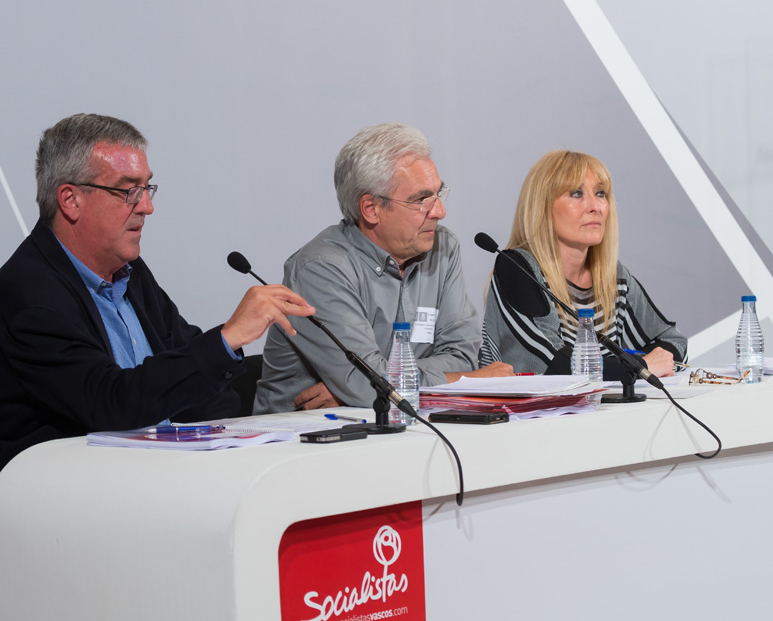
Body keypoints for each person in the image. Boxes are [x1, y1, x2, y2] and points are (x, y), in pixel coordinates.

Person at [0, 114, 315, 469]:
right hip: (74, 486)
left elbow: (204, 389)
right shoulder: (27, 292)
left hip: (162, 477)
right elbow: (110, 403)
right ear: (71, 200)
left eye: (147, 188)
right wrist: (228, 338)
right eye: (128, 191)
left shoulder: (130, 272)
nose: (147, 207)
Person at [254, 122, 512, 413]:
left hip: (410, 421)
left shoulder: (442, 248)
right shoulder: (322, 269)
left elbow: (463, 356)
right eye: (421, 200)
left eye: (438, 194)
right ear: (371, 209)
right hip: (307, 431)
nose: (440, 211)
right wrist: (370, 388)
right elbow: (366, 385)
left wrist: (371, 388)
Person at [480, 150, 687, 377]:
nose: (595, 206)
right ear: (542, 206)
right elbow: (550, 366)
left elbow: (674, 343)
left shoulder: (612, 276)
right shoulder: (517, 269)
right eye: (577, 194)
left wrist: (644, 364)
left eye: (600, 193)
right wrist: (640, 366)